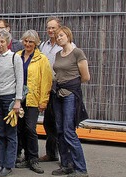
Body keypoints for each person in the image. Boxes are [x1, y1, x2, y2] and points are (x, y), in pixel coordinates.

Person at [50, 26, 90, 177]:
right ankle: (66, 164)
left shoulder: (77, 53)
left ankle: (81, 168)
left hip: (70, 95)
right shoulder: (58, 54)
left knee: (69, 131)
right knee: (59, 130)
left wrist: (71, 85)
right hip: (58, 94)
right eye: (57, 36)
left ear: (68, 36)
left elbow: (85, 76)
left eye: (61, 35)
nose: (59, 38)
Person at [14, 30, 52, 174]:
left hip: (33, 99)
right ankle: (25, 157)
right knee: (20, 128)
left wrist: (43, 101)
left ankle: (33, 159)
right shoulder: (17, 56)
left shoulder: (42, 59)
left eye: (31, 42)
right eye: (25, 41)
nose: (28, 44)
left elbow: (46, 81)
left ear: (36, 43)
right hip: (18, 98)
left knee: (30, 128)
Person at [38, 17, 76, 163]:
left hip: (61, 86)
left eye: (53, 28)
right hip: (47, 86)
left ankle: (65, 157)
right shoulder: (43, 45)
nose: (51, 30)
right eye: (48, 28)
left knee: (62, 124)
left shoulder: (67, 46)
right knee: (48, 122)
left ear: (60, 28)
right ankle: (51, 153)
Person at [0, 30, 24, 177]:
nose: (0, 44)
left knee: (10, 133)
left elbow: (20, 79)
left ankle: (9, 164)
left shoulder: (15, 58)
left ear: (8, 42)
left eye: (2, 41)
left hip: (10, 100)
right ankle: (1, 163)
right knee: (0, 132)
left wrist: (18, 101)